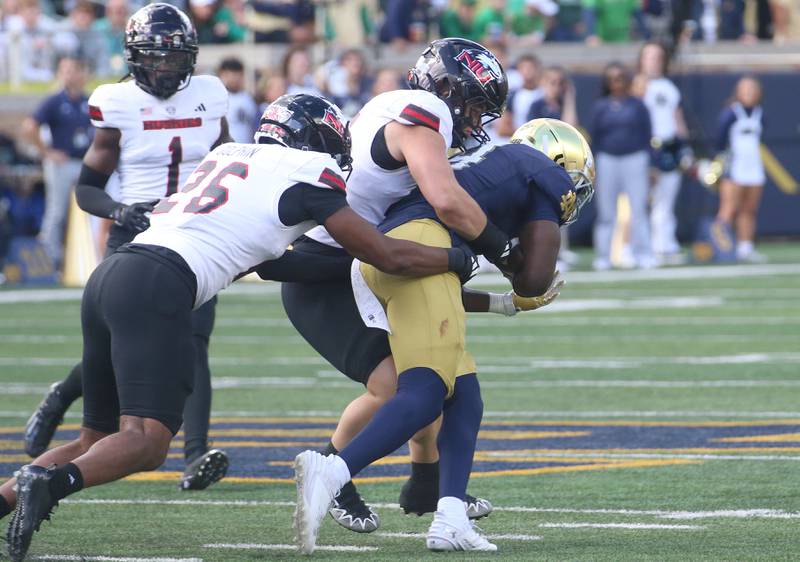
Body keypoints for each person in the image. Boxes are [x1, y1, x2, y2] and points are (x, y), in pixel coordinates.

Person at [0, 93, 477, 562]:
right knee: (147, 441)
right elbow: (384, 253)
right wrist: (456, 257)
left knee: (92, 440)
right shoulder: (310, 173)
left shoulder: (228, 154)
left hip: (113, 271)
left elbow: (270, 257)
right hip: (162, 281)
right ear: (314, 142)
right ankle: (52, 484)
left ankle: (5, 499)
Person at [291, 119, 594, 554]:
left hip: (400, 251)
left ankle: (450, 517)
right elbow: (535, 278)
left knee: (465, 396)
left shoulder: (490, 164)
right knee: (424, 391)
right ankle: (335, 470)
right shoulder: (542, 174)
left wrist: (503, 303)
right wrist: (525, 286)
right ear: (559, 163)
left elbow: (445, 291)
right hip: (423, 246)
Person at [256, 37, 508, 539]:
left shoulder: (397, 108)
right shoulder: (422, 113)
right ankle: (335, 473)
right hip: (327, 272)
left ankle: (426, 483)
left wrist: (490, 298)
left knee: (431, 374)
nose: (477, 122)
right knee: (401, 384)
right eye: (476, 106)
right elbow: (446, 199)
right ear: (447, 90)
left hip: (353, 264)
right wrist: (503, 251)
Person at [22, 3, 232, 493]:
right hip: (137, 235)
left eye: (175, 57)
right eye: (155, 58)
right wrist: (119, 210)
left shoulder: (210, 95)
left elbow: (227, 157)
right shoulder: (115, 102)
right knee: (118, 348)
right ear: (135, 57)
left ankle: (196, 452)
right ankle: (62, 395)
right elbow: (86, 189)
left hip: (196, 236)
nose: (165, 67)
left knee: (193, 342)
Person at [22, 57, 91, 269]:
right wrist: (46, 152)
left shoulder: (88, 101)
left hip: (84, 162)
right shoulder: (54, 101)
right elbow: (29, 126)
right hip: (61, 163)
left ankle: (88, 258)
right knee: (56, 211)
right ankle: (48, 262)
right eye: (64, 70)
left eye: (72, 70)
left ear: (82, 73)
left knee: (90, 210)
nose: (68, 75)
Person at [590, 62, 654, 271]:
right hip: (608, 159)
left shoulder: (638, 105)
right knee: (606, 212)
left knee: (639, 209)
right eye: (613, 78)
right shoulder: (601, 106)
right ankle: (603, 256)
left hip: (635, 158)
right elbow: (596, 138)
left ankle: (643, 253)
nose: (617, 82)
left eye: (621, 78)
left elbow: (647, 135)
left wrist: (650, 164)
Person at [638, 41, 690, 265]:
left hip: (669, 146)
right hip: (646, 147)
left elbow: (677, 119)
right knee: (641, 201)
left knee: (666, 200)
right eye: (649, 57)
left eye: (657, 57)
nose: (653, 62)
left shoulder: (670, 87)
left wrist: (684, 146)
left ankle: (665, 244)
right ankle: (642, 246)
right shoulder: (637, 86)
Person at [715, 75, 766, 263]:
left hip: (754, 167)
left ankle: (745, 247)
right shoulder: (731, 113)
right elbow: (720, 140)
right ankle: (721, 248)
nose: (750, 93)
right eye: (745, 89)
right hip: (735, 167)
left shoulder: (760, 113)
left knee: (749, 210)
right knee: (728, 209)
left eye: (753, 89)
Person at [495, 53, 542, 137]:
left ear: (538, 69)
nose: (527, 71)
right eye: (524, 67)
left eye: (531, 68)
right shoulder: (512, 96)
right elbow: (502, 128)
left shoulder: (544, 94)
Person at [217, 57, 258, 143]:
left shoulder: (248, 99)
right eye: (230, 75)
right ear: (221, 75)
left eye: (237, 75)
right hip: (224, 149)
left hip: (247, 148)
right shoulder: (217, 99)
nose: (234, 79)